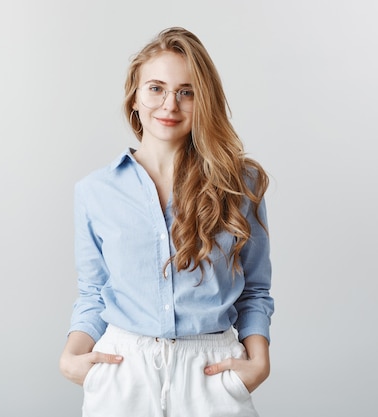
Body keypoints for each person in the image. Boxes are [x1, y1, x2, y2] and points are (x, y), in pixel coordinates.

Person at [59, 27, 274, 417]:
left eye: (186, 92)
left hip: (211, 372)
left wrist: (259, 362)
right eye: (156, 88)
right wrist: (71, 357)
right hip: (123, 373)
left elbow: (255, 290)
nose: (169, 105)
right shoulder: (95, 191)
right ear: (135, 97)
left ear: (203, 101)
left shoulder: (241, 184)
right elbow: (93, 291)